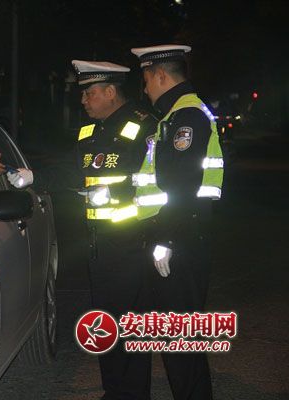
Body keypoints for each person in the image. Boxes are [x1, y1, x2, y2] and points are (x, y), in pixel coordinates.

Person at [9, 60, 157, 399]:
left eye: (89, 93)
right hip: (98, 242)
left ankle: (134, 393)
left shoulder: (144, 127)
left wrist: (115, 193)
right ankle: (114, 390)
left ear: (110, 92)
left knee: (129, 323)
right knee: (106, 319)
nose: (83, 100)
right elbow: (72, 171)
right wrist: (32, 177)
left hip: (133, 240)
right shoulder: (90, 132)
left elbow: (157, 181)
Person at [131, 44, 224, 400]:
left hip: (182, 237)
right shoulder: (176, 114)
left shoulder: (187, 116)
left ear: (160, 75)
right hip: (183, 234)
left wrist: (166, 239)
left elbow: (182, 183)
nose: (145, 89)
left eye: (146, 80)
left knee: (180, 338)